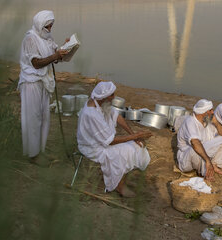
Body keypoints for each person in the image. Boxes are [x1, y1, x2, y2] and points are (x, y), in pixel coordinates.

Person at [77, 81, 152, 197]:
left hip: (102, 142)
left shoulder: (100, 103)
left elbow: (117, 116)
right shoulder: (92, 114)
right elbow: (110, 141)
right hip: (92, 147)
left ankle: (120, 179)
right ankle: (119, 186)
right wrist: (136, 136)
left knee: (136, 145)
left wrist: (134, 135)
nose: (114, 97)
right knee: (128, 150)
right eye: (111, 95)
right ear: (103, 97)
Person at [18, 10, 69, 160]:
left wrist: (65, 48)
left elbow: (54, 57)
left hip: (43, 82)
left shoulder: (47, 38)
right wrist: (55, 55)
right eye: (48, 27)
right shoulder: (30, 39)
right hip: (31, 82)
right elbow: (36, 63)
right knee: (33, 118)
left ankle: (40, 150)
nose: (50, 29)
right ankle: (33, 154)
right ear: (40, 25)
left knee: (44, 117)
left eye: (51, 26)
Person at [176, 99, 222, 181]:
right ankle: (205, 172)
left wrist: (216, 122)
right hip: (186, 159)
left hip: (201, 155)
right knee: (198, 146)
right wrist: (208, 161)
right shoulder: (190, 122)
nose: (212, 112)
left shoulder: (207, 122)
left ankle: (213, 164)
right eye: (210, 110)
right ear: (203, 112)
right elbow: (195, 143)